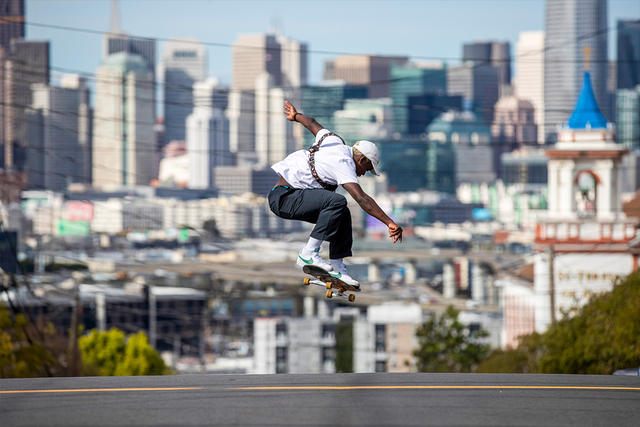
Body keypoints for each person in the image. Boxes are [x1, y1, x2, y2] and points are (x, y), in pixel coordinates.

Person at [268, 100, 403, 288]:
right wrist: (389, 222)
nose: (364, 173)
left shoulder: (334, 141)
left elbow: (313, 124)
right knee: (337, 201)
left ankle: (337, 266)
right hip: (284, 198)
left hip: (293, 196)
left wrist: (296, 116)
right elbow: (362, 199)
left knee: (342, 212)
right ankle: (308, 254)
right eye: (367, 168)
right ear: (361, 158)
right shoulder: (343, 162)